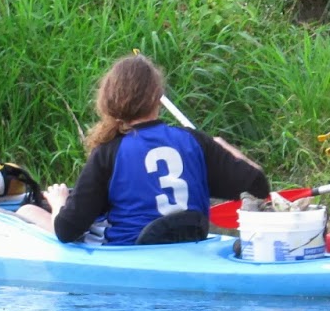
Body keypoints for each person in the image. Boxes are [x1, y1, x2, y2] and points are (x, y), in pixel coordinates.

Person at [18, 54, 269, 245]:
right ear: (157, 96)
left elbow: (66, 230)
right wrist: (223, 146)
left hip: (132, 255)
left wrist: (59, 201)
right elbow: (258, 185)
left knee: (27, 210)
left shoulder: (108, 153)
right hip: (190, 248)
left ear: (109, 102)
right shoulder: (195, 142)